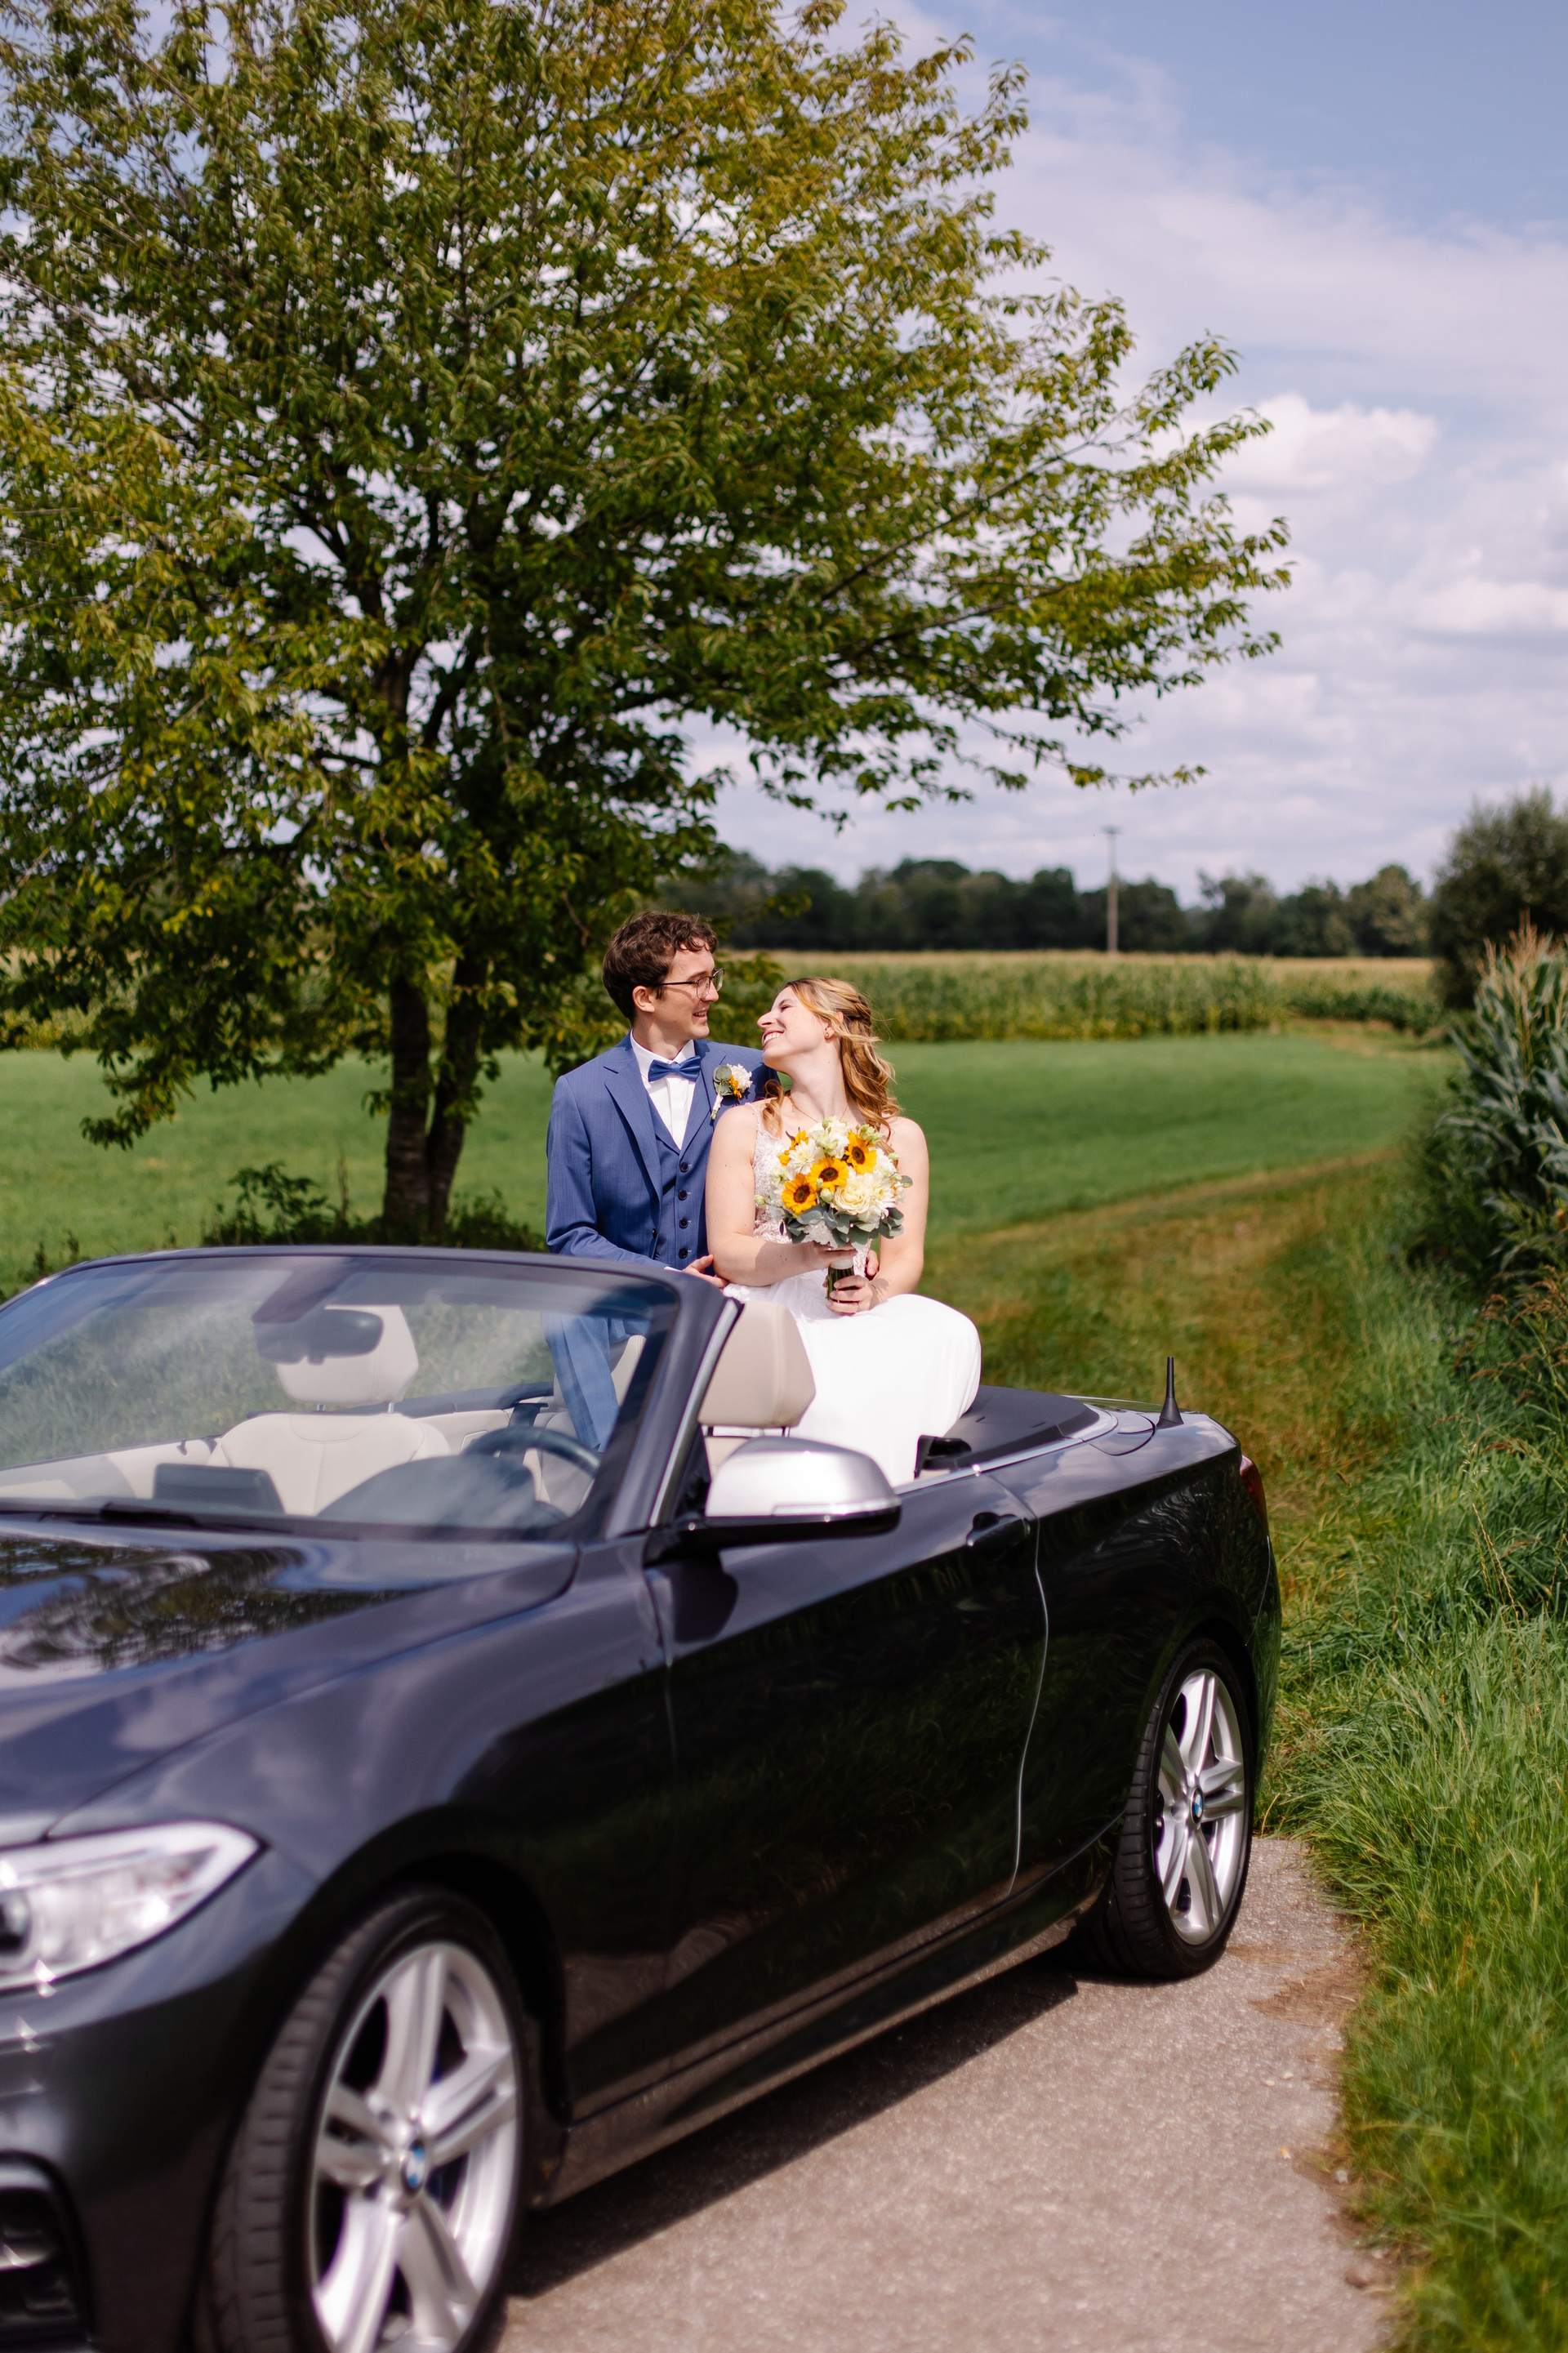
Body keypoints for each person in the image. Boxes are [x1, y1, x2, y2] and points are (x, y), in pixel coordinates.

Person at [706, 976, 981, 1486]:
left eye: (784, 1008)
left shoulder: (899, 1136)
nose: (765, 1020)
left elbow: (904, 1258)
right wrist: (807, 1256)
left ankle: (899, 1495)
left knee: (951, 1333)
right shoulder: (745, 1125)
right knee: (827, 1398)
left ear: (830, 1025)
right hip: (769, 1306)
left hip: (851, 1307)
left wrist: (874, 1293)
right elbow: (727, 1250)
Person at [546, 911, 767, 1277]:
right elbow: (570, 1236)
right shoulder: (580, 1093)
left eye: (712, 978)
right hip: (632, 1305)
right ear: (645, 997)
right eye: (696, 982)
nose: (712, 994)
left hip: (739, 1300)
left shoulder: (755, 1071)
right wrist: (665, 1278)